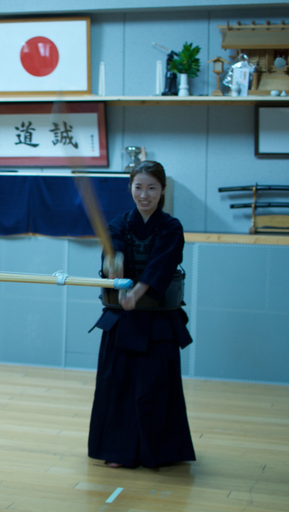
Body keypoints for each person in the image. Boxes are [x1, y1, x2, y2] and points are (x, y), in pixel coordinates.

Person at [88, 160, 195, 469]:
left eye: (151, 188)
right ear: (130, 188)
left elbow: (162, 263)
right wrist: (116, 270)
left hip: (157, 319)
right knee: (117, 383)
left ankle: (158, 451)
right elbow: (114, 256)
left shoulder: (171, 227)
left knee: (156, 385)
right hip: (123, 319)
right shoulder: (118, 224)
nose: (144, 195)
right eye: (138, 187)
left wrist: (137, 292)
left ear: (162, 190)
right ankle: (117, 450)